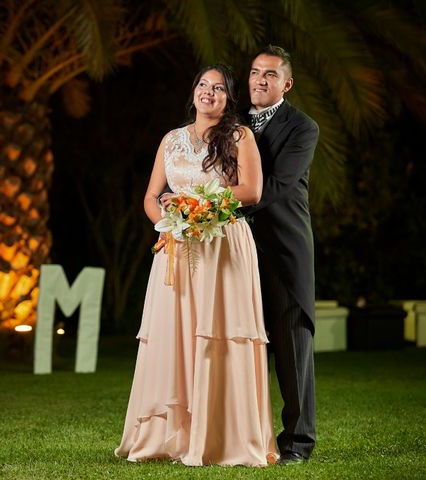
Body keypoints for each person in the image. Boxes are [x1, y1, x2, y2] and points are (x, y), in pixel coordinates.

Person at [115, 64, 278, 467]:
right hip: (177, 248)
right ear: (193, 93)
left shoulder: (240, 137)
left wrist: (195, 205)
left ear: (228, 98)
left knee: (220, 334)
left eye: (218, 88)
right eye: (203, 85)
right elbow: (153, 196)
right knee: (177, 335)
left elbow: (252, 191)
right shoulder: (170, 140)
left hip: (224, 247)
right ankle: (171, 435)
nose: (209, 92)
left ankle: (223, 436)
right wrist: (168, 222)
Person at [243, 45, 319, 465]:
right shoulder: (233, 122)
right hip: (235, 254)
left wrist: (218, 206)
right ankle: (242, 437)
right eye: (255, 72)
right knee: (240, 347)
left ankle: (298, 443)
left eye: (270, 75)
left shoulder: (302, 128)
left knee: (291, 350)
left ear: (286, 84)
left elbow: (276, 186)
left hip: (284, 253)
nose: (259, 80)